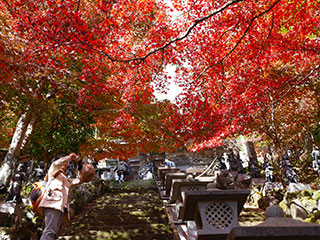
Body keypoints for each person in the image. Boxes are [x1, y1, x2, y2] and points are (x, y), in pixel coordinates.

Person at [39, 153, 83, 240]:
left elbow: (79, 180)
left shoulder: (65, 178)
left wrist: (79, 165)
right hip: (52, 204)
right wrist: (70, 157)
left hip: (61, 206)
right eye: (65, 162)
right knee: (50, 231)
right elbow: (56, 163)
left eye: (67, 163)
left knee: (54, 232)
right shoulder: (53, 170)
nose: (66, 165)